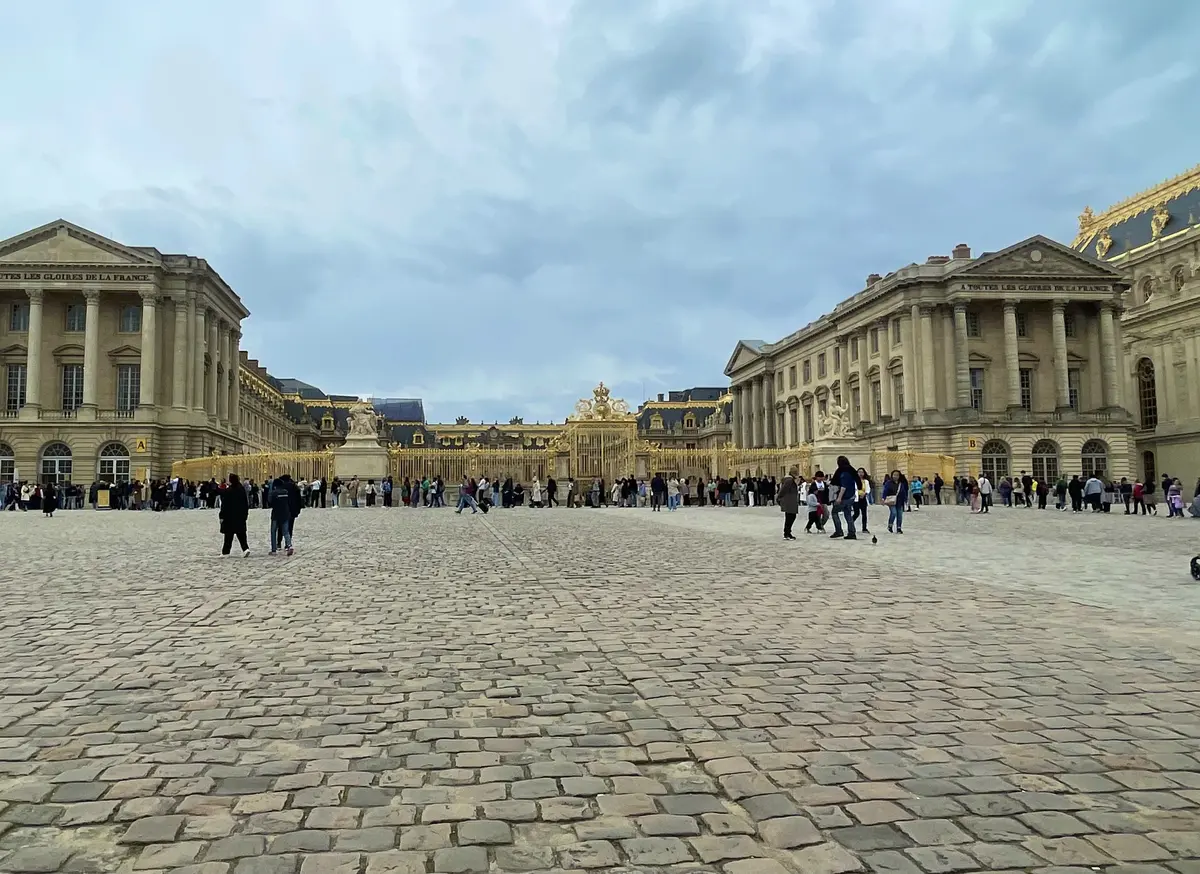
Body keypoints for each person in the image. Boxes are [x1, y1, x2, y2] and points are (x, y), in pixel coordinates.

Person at [829, 456, 861, 540]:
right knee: (848, 514)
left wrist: (839, 498)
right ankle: (851, 532)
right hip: (851, 496)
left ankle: (839, 530)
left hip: (844, 497)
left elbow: (843, 487)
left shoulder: (844, 473)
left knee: (834, 512)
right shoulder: (851, 471)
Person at [269, 474, 300, 556]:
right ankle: (289, 545)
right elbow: (298, 499)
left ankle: (274, 548)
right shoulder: (288, 490)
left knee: (274, 531)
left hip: (276, 514)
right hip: (287, 512)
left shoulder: (274, 493)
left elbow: (270, 503)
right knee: (287, 531)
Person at [219, 473, 250, 557]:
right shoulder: (241, 490)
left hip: (230, 516)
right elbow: (245, 503)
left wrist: (221, 516)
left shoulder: (228, 491)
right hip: (240, 516)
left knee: (228, 536)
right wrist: (245, 514)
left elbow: (224, 505)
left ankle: (226, 552)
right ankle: (245, 549)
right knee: (241, 534)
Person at [882, 469, 908, 534]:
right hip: (891, 501)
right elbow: (885, 491)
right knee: (893, 513)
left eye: (897, 475)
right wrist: (883, 498)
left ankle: (899, 528)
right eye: (894, 475)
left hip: (900, 501)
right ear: (892, 475)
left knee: (900, 515)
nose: (895, 476)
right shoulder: (888, 483)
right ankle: (890, 525)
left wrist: (905, 500)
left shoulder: (901, 483)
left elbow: (904, 492)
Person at [777, 466, 799, 540]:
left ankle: (787, 533)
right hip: (789, 501)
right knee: (790, 517)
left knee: (790, 517)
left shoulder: (791, 479)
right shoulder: (789, 480)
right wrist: (779, 497)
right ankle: (787, 533)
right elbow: (783, 490)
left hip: (790, 500)